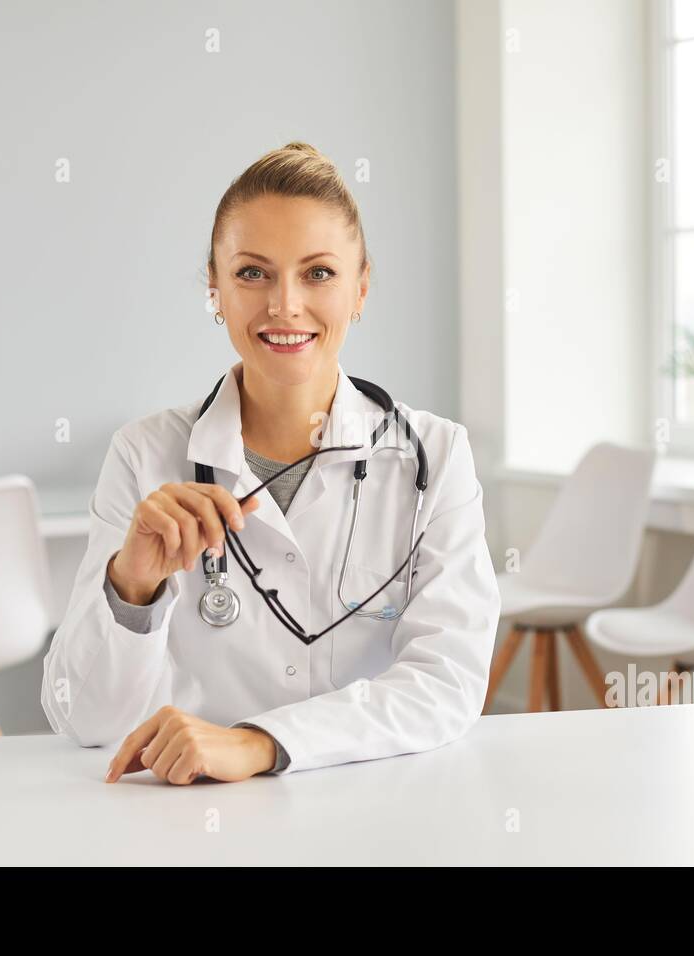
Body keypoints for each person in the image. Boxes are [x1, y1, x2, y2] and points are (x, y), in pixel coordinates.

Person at [41, 141, 500, 785]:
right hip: (196, 820)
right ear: (215, 287)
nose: (284, 305)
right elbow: (84, 720)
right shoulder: (145, 455)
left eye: (318, 273)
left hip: (376, 809)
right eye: (253, 273)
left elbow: (447, 685)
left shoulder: (435, 457)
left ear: (361, 287)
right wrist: (134, 587)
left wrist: (261, 743)